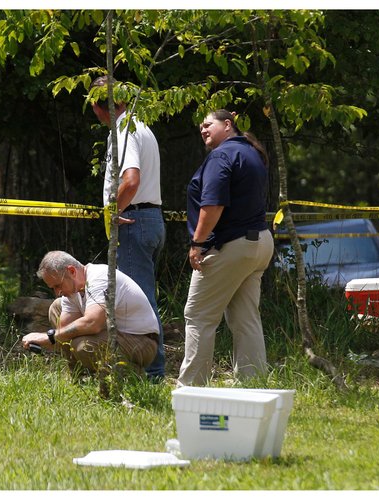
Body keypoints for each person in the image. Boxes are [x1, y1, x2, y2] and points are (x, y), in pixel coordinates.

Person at [177, 109, 274, 387]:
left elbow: (213, 205)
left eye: (208, 125)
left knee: (198, 316)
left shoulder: (222, 156)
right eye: (200, 128)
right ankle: (254, 384)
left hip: (231, 245)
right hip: (259, 244)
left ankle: (191, 388)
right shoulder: (252, 152)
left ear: (228, 124)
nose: (203, 130)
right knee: (245, 317)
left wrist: (198, 243)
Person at [89, 76, 166, 379]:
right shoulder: (140, 126)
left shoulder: (124, 129)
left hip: (134, 221)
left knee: (140, 299)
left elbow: (130, 180)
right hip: (148, 219)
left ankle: (153, 373)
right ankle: (147, 368)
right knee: (143, 297)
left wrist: (111, 213)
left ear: (99, 107)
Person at [21, 251, 159, 378]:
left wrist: (49, 336)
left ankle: (133, 376)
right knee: (57, 307)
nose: (58, 292)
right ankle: (80, 378)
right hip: (113, 335)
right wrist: (46, 341)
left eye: (58, 285)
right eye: (53, 288)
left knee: (83, 345)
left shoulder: (100, 277)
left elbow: (92, 324)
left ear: (72, 271)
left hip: (142, 342)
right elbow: (64, 335)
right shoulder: (73, 289)